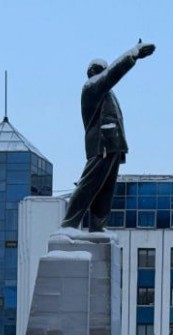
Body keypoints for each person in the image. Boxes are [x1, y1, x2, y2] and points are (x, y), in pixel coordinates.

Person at [61, 40, 156, 232]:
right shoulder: (91, 87)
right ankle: (69, 224)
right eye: (102, 70)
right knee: (89, 184)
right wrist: (133, 53)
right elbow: (112, 74)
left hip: (112, 147)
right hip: (100, 146)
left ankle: (97, 225)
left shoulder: (107, 94)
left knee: (105, 189)